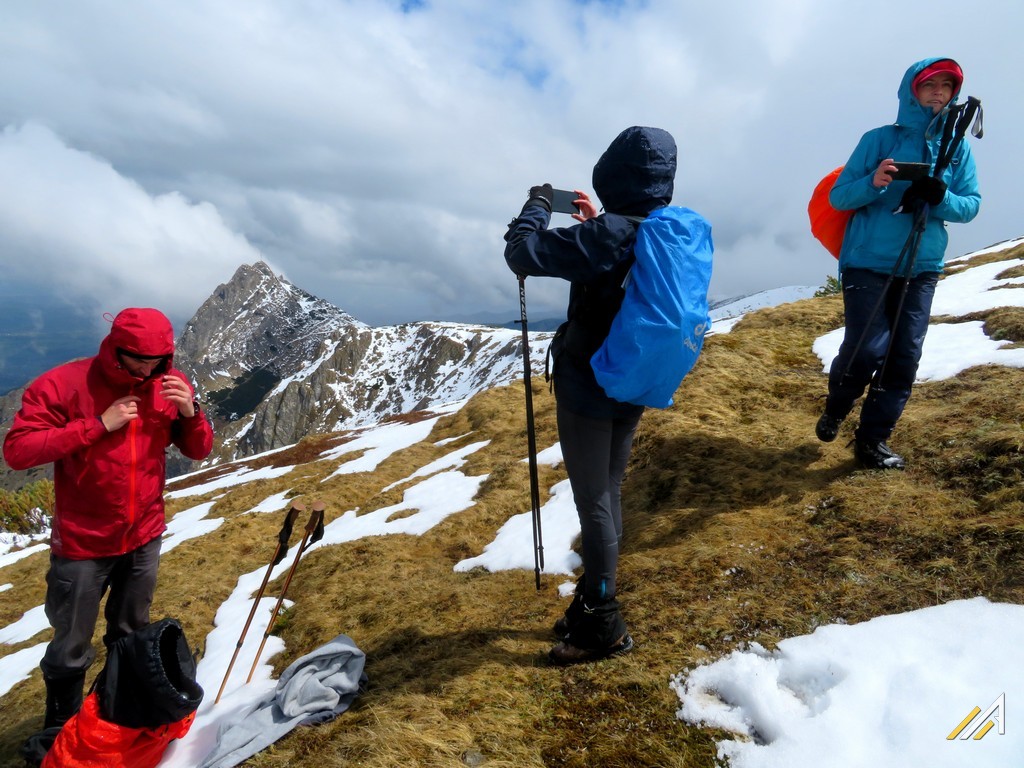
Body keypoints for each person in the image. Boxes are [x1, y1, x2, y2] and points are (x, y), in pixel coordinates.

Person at [504, 126, 681, 664]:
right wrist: (593, 224)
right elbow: (617, 263)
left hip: (590, 382)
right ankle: (589, 600)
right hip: (635, 376)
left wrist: (536, 205)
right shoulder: (661, 227)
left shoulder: (608, 235)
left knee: (594, 499)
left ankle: (602, 622)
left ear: (613, 175)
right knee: (608, 488)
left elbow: (521, 253)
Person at [3, 307, 214, 751]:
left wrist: (190, 411)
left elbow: (197, 450)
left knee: (131, 630)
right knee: (71, 642)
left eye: (159, 359)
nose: (148, 368)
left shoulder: (167, 386)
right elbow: (18, 450)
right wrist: (98, 426)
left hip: (144, 535)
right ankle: (58, 730)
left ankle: (112, 717)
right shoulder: (63, 384)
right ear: (115, 347)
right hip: (83, 542)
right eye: (139, 359)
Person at [816, 58, 981, 469]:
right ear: (912, 91)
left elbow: (971, 206)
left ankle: (872, 442)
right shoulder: (877, 139)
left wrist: (940, 194)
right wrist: (873, 182)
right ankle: (837, 405)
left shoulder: (957, 148)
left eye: (947, 86)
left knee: (903, 357)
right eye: (930, 85)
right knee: (867, 349)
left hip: (922, 265)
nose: (939, 92)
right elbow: (839, 198)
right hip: (868, 262)